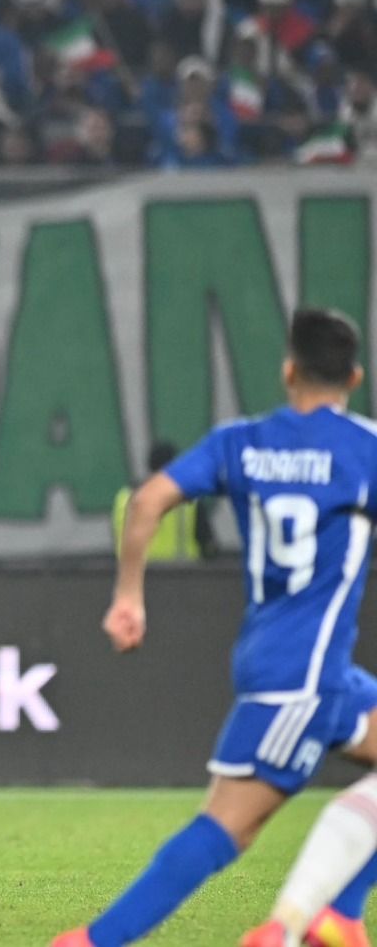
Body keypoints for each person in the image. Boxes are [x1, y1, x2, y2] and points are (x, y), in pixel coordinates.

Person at [54, 308, 377, 947]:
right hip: (303, 680)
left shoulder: (243, 442)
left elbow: (147, 502)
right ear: (355, 377)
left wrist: (129, 598)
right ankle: (97, 942)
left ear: (290, 372)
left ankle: (339, 915)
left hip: (296, 665)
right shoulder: (365, 449)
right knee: (229, 826)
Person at [111, 441, 214, 562]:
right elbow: (208, 546)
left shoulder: (124, 497)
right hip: (180, 576)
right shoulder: (188, 500)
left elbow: (116, 537)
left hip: (134, 576)